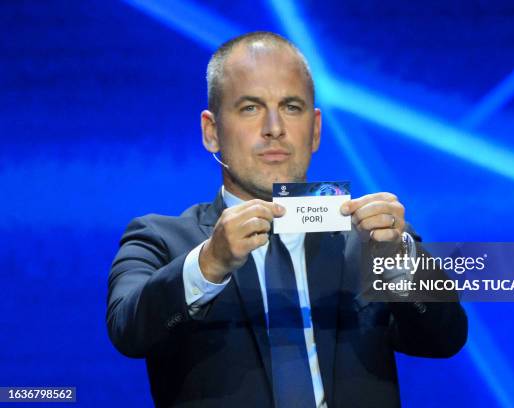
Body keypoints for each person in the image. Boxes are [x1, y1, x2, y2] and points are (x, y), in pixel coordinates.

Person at [106, 31, 467, 408]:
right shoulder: (159, 239)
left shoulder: (372, 240)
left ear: (315, 130)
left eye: (291, 107)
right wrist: (210, 263)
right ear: (211, 132)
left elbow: (444, 339)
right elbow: (128, 330)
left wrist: (397, 261)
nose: (274, 127)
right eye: (250, 107)